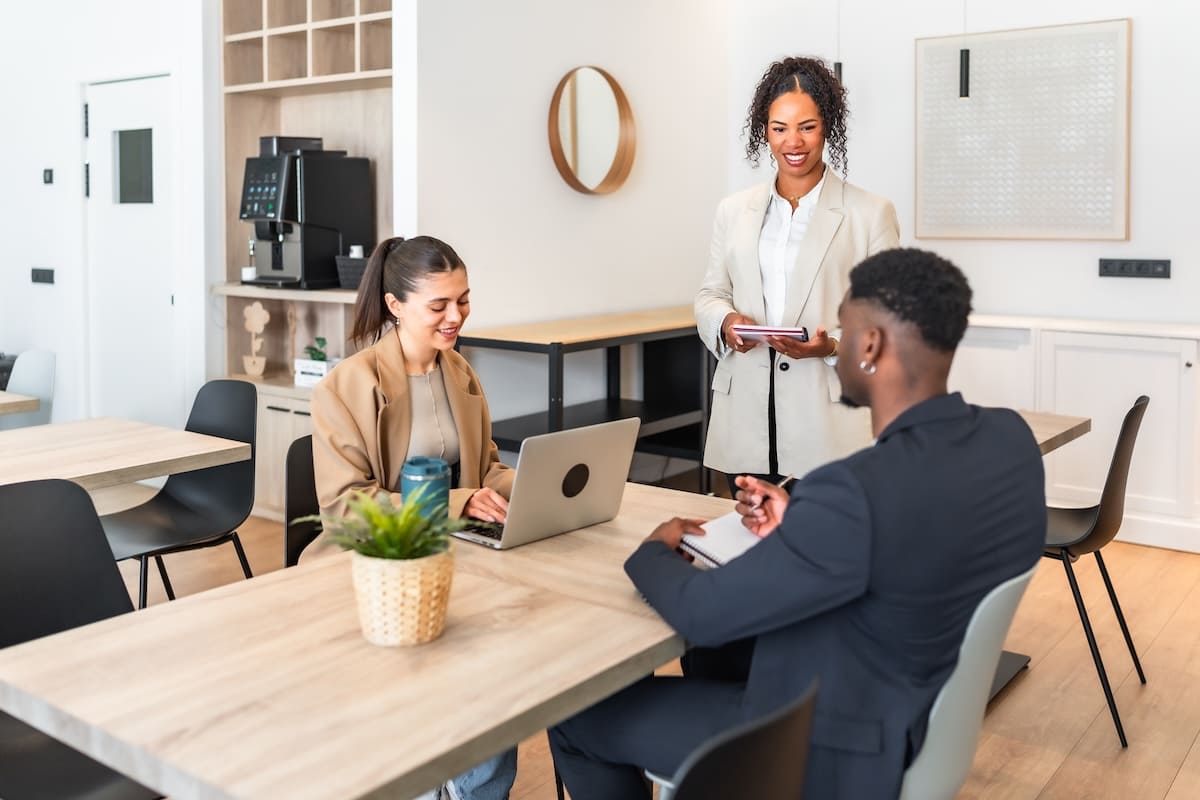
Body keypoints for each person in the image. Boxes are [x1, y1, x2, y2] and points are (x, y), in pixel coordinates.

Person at [549, 248, 1048, 799]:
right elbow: (915, 536)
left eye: (845, 327)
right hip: (915, 710)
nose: (837, 340)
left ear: (870, 345)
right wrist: (807, 526)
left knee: (576, 718)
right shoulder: (1009, 439)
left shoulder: (855, 491)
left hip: (829, 744)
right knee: (715, 656)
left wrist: (652, 549)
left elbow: (702, 614)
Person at [303, 235, 517, 800]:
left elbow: (485, 468)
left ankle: (476, 787)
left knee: (503, 654)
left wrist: (537, 487)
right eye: (439, 305)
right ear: (395, 305)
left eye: (463, 301)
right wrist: (458, 502)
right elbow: (346, 506)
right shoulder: (347, 386)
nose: (456, 317)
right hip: (376, 565)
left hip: (460, 553)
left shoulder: (461, 373)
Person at [696, 56, 901, 495]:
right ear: (764, 131)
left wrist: (832, 346)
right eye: (779, 128)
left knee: (824, 535)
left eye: (807, 127)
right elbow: (711, 294)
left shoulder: (870, 213)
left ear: (827, 127)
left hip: (827, 423)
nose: (793, 141)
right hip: (746, 419)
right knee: (751, 534)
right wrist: (727, 323)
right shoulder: (733, 211)